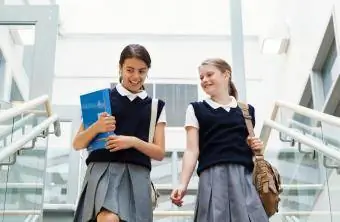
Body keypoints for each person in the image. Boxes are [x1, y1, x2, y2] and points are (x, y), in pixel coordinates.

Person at [73, 44, 166, 222]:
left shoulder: (155, 106)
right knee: (108, 218)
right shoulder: (101, 99)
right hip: (102, 172)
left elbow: (160, 152)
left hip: (137, 174)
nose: (136, 76)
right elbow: (77, 143)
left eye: (142, 71)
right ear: (120, 67)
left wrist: (132, 141)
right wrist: (97, 127)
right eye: (130, 70)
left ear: (148, 71)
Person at [170, 58, 269, 222]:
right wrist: (182, 184)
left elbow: (249, 147)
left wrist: (256, 147)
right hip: (212, 177)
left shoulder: (246, 110)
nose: (205, 80)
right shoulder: (196, 109)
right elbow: (192, 150)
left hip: (244, 177)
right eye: (201, 77)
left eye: (209, 74)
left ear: (226, 75)